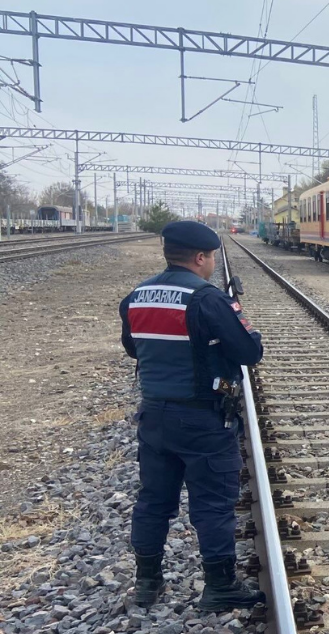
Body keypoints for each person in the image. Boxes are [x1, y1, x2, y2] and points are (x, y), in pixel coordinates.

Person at [119, 221, 266, 611]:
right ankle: (220, 587)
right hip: (201, 419)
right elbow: (250, 353)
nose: (213, 264)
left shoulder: (137, 295)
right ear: (200, 257)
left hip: (153, 415)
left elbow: (134, 349)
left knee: (153, 501)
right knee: (214, 504)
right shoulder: (206, 299)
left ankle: (147, 583)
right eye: (212, 257)